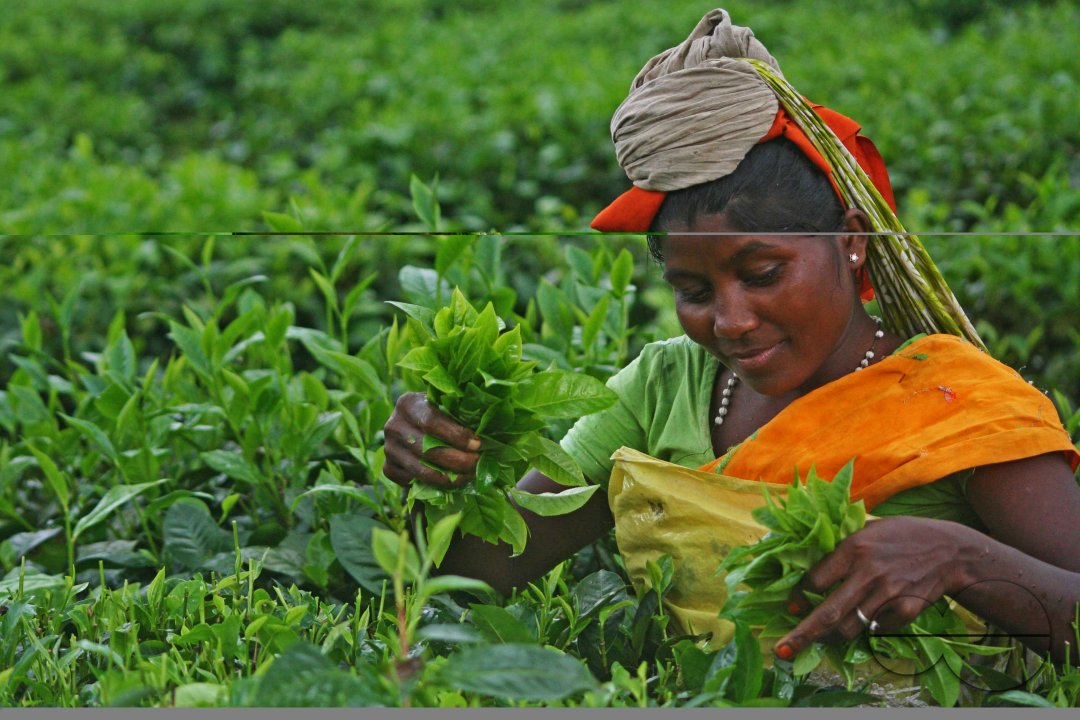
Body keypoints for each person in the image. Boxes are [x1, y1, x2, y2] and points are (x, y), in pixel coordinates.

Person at [382, 8, 1080, 667]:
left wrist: (961, 559)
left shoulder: (958, 400)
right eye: (693, 292)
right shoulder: (662, 389)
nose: (732, 320)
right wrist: (438, 478)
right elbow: (471, 577)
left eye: (764, 272)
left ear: (853, 243)